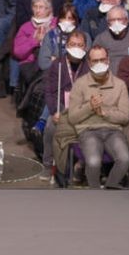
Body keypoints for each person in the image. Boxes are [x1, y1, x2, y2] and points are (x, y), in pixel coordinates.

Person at [67, 45, 129, 189]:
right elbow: (72, 117)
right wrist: (90, 106)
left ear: (108, 61)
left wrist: (105, 114)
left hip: (113, 130)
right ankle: (95, 192)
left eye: (102, 59)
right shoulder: (80, 84)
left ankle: (110, 187)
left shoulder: (120, 85)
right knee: (94, 161)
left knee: (124, 159)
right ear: (89, 63)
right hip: (88, 130)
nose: (99, 63)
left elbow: (124, 117)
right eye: (95, 61)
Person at [43, 30, 88, 180]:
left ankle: (81, 165)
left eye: (80, 45)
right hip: (61, 106)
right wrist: (55, 111)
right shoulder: (58, 64)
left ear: (85, 47)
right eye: (72, 44)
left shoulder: (88, 66)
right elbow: (49, 92)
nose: (76, 48)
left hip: (82, 109)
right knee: (50, 125)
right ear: (67, 46)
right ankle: (48, 165)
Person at [92, 6, 129, 76]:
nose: (116, 23)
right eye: (112, 20)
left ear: (127, 20)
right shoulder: (101, 39)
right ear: (107, 23)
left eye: (119, 19)